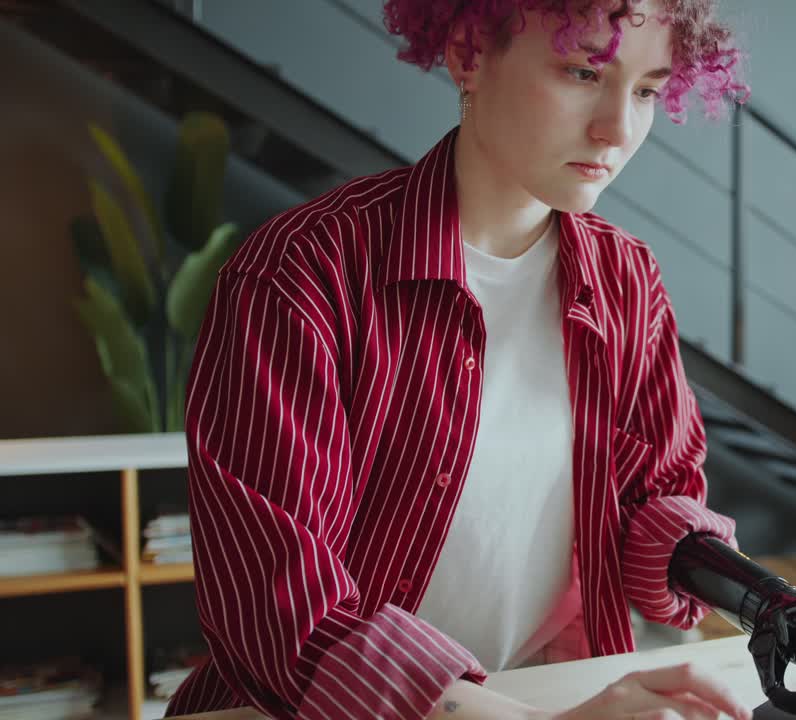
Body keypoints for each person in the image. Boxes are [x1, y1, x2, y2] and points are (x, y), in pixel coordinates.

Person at [164, 1, 754, 718]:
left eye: (647, 90)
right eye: (581, 71)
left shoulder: (627, 279)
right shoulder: (300, 276)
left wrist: (770, 600)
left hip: (536, 689)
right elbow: (280, 607)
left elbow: (650, 500)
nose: (618, 130)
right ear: (470, 51)